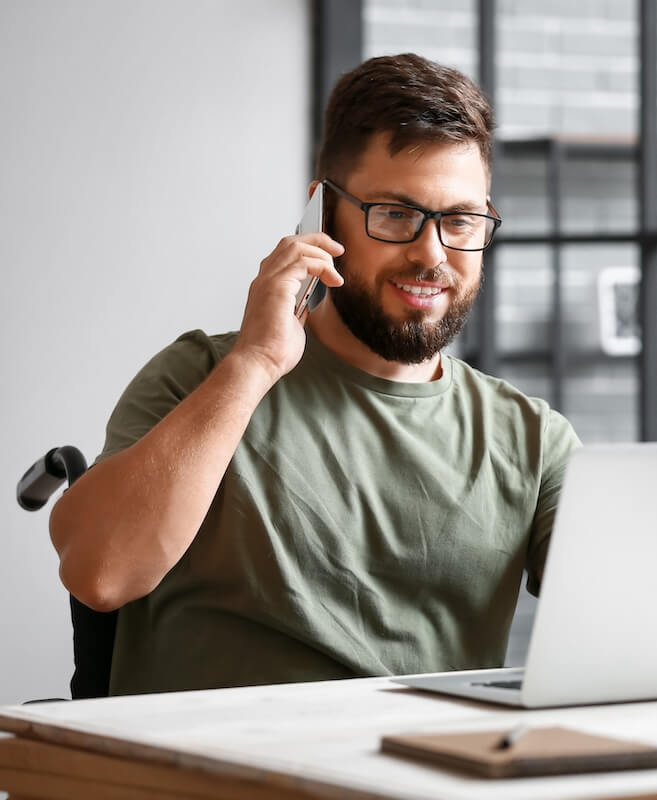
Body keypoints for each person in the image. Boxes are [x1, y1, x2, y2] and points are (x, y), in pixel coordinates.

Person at [48, 53, 581, 695]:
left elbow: (633, 619)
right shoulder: (199, 375)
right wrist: (257, 362)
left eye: (460, 220)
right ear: (322, 215)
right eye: (394, 214)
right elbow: (102, 574)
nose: (431, 253)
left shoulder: (531, 438)